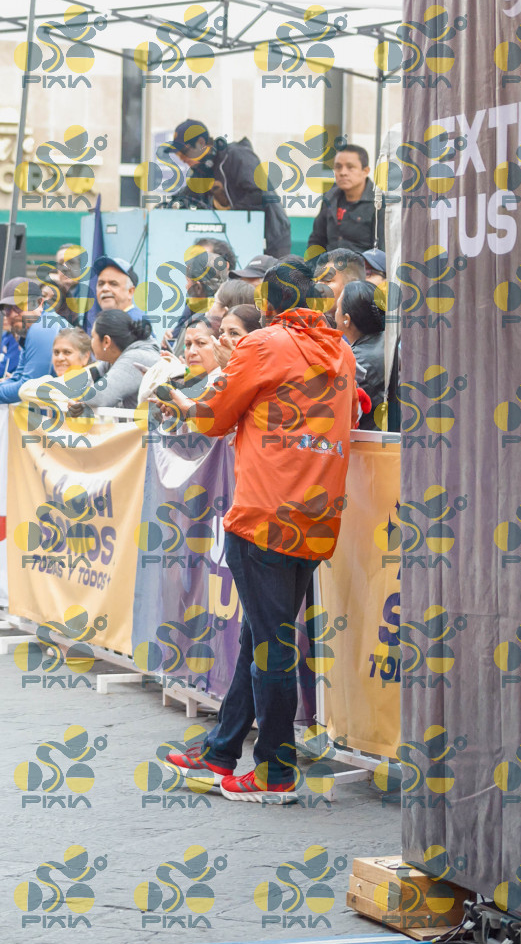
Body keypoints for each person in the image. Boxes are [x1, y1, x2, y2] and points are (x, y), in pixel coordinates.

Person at [157, 261, 358, 802]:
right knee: (263, 634)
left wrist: (183, 402)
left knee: (270, 643)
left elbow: (212, 418)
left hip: (265, 513)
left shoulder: (264, 343)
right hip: (316, 515)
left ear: (267, 304)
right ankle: (222, 749)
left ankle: (275, 769)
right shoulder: (341, 350)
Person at [166, 120, 292, 256]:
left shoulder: (237, 155)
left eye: (184, 151)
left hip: (271, 236)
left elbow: (257, 194)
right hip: (240, 236)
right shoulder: (201, 171)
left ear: (201, 143)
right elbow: (186, 197)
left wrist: (229, 213)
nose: (182, 158)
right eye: (177, 154)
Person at [0, 279, 67, 407]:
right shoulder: (40, 326)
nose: (13, 314)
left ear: (39, 303)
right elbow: (17, 378)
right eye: (8, 309)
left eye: (19, 307)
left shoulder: (42, 328)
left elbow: (27, 388)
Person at [67, 310, 160, 412]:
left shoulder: (138, 357)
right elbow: (84, 381)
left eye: (93, 337)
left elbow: (98, 397)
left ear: (106, 341)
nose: (90, 342)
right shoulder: (114, 356)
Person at [306, 143, 384, 257]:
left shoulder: (379, 204)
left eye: (350, 167)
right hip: (328, 266)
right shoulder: (329, 198)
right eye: (338, 167)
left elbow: (381, 252)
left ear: (365, 171)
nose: (343, 173)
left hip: (363, 267)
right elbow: (317, 240)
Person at [337, 280, 386, 430]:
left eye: (337, 308)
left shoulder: (357, 361)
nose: (335, 313)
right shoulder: (386, 341)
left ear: (346, 319)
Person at [40, 244, 88, 327]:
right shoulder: (47, 293)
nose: (65, 267)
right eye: (61, 263)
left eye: (71, 262)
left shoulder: (89, 296)